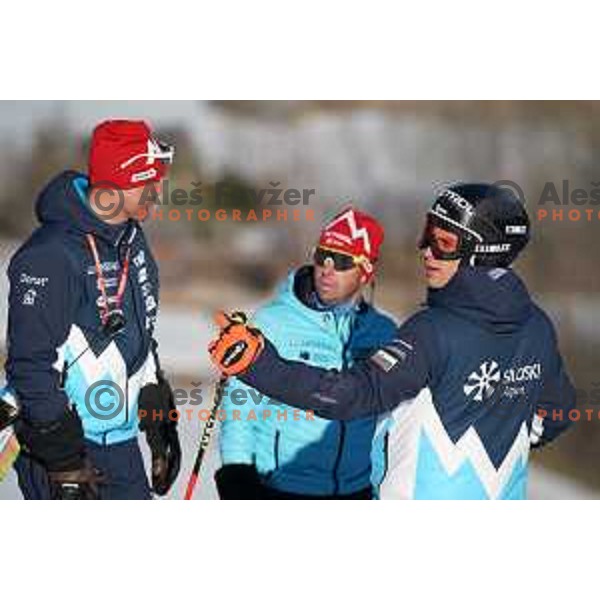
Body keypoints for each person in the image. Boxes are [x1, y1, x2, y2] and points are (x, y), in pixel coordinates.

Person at [209, 183, 577, 499]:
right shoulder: (537, 326)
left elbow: (353, 394)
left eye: (443, 242)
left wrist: (259, 363)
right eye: (426, 235)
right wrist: (502, 424)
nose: (426, 250)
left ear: (482, 252)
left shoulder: (431, 331)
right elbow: (559, 410)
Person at [5, 120, 181, 499]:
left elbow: (135, 332)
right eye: (152, 181)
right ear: (123, 181)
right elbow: (29, 363)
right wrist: (63, 459)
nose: (160, 191)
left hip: (120, 445)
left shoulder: (131, 238)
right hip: (68, 452)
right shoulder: (51, 255)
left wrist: (156, 413)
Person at [215, 207, 397, 499]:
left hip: (354, 491)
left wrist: (380, 484)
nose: (327, 269)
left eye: (341, 261)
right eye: (321, 255)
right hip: (281, 488)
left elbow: (390, 420)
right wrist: (237, 474)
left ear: (366, 271)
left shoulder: (384, 332)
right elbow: (239, 408)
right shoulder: (273, 321)